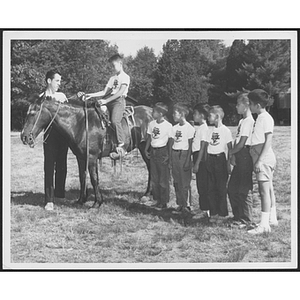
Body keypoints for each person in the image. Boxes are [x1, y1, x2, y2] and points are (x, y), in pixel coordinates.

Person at [80, 54, 130, 160]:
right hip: (109, 101)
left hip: (118, 102)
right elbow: (104, 92)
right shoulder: (112, 78)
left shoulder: (125, 77)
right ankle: (105, 143)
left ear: (120, 64)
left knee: (115, 120)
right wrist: (90, 95)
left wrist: (105, 101)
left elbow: (119, 93)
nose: (112, 68)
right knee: (98, 116)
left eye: (113, 65)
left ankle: (122, 146)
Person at [247, 89, 278, 234]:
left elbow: (268, 140)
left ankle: (264, 225)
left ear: (257, 105)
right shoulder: (260, 117)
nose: (249, 106)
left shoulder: (265, 118)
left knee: (264, 191)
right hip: (259, 154)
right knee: (269, 188)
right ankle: (272, 218)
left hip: (263, 156)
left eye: (251, 104)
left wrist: (260, 161)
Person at [42, 69, 69, 211]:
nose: (59, 83)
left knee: (62, 166)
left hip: (63, 136)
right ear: (49, 81)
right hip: (50, 136)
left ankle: (60, 194)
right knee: (49, 167)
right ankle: (49, 200)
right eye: (57, 80)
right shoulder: (42, 97)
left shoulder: (62, 96)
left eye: (60, 81)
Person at [227, 93, 254, 228]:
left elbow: (242, 142)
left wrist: (231, 152)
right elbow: (237, 139)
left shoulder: (249, 121)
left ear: (246, 105)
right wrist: (233, 156)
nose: (236, 107)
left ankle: (246, 219)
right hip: (238, 155)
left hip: (244, 155)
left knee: (243, 189)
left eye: (238, 104)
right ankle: (237, 216)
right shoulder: (241, 121)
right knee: (232, 188)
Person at [206, 105, 233, 222]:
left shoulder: (225, 131)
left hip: (220, 159)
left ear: (217, 117)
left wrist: (228, 163)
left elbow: (230, 148)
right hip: (210, 159)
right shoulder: (209, 130)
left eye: (210, 115)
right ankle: (214, 212)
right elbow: (207, 145)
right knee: (211, 188)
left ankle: (222, 213)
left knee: (221, 188)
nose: (208, 117)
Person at [144, 102, 172, 209]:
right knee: (155, 178)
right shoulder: (151, 124)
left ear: (160, 113)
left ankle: (164, 201)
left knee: (163, 179)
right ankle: (157, 199)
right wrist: (147, 149)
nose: (152, 113)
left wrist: (168, 155)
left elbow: (170, 141)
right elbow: (149, 138)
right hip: (153, 151)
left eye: (154, 112)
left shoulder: (168, 126)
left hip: (162, 151)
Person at [169, 103, 195, 212]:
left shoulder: (189, 128)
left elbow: (190, 146)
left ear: (182, 114)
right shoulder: (174, 128)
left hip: (184, 154)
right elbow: (171, 143)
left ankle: (187, 205)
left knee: (185, 182)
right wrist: (170, 158)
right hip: (175, 153)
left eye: (175, 113)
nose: (173, 116)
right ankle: (180, 203)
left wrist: (188, 160)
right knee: (177, 181)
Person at [192, 103, 210, 218]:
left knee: (203, 185)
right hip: (197, 155)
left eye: (195, 114)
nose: (194, 116)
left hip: (201, 158)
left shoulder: (204, 128)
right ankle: (202, 207)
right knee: (200, 184)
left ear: (202, 115)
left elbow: (203, 146)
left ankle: (205, 210)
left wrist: (197, 163)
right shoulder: (200, 128)